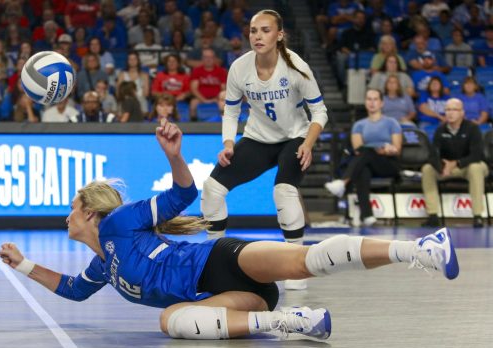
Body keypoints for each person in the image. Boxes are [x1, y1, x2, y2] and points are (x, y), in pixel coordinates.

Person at [0, 118, 460, 341]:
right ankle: (290, 322)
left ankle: (419, 249)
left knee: (304, 260)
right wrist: (23, 265)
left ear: (92, 212)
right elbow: (74, 290)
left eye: (73, 207)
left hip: (218, 259)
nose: (67, 214)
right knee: (169, 321)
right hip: (225, 299)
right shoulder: (104, 265)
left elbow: (181, 196)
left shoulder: (120, 223)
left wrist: (174, 154)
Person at [200, 9, 328, 291]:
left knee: (283, 191)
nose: (258, 36)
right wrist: (229, 144)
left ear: (279, 35)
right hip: (258, 139)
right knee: (212, 190)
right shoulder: (239, 68)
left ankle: (296, 267)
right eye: (253, 31)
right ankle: (213, 256)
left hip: (294, 137)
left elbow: (319, 112)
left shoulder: (296, 67)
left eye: (265, 30)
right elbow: (231, 111)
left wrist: (308, 143)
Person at [324, 89, 402, 227]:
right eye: (369, 99)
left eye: (375, 99)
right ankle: (367, 216)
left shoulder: (392, 123)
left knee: (367, 153)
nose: (372, 102)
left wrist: (385, 150)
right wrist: (378, 149)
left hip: (388, 163)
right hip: (366, 162)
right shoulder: (359, 125)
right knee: (363, 166)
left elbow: (397, 149)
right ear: (365, 102)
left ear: (381, 103)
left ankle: (343, 183)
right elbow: (358, 149)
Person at [420, 98, 489, 228]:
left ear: (462, 112)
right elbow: (432, 155)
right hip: (447, 168)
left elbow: (477, 155)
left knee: (476, 168)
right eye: (447, 109)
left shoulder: (472, 128)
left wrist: (456, 163)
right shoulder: (440, 130)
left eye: (454, 109)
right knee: (428, 169)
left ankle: (478, 215)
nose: (450, 113)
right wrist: (442, 167)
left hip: (469, 166)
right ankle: (433, 216)